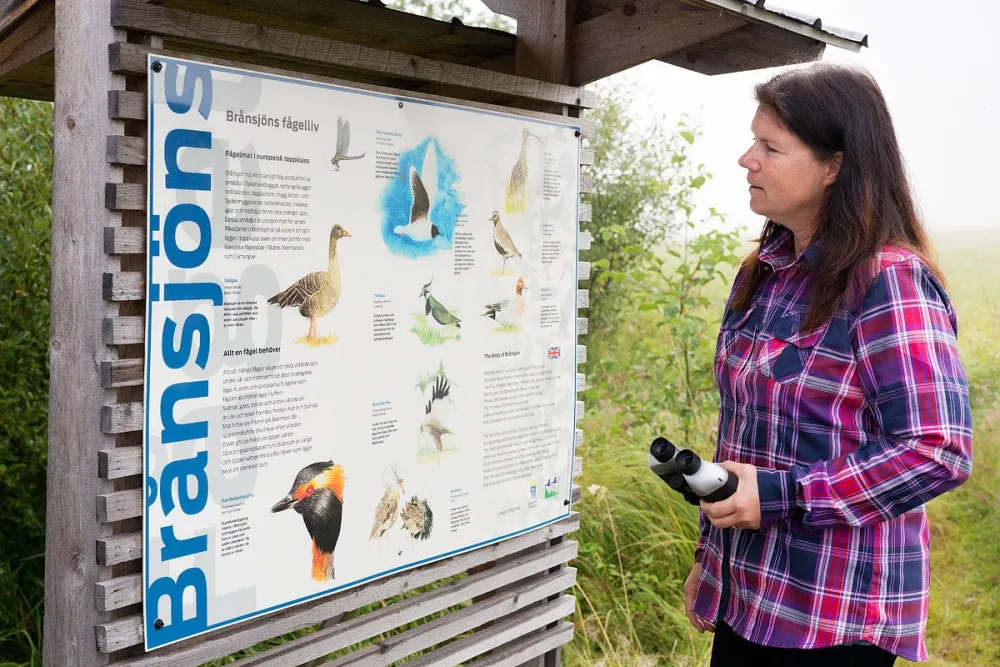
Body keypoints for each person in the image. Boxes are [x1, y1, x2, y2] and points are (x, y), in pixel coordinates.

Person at [682, 63, 974, 666]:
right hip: (749, 598)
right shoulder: (762, 274)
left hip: (835, 615)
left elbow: (937, 451)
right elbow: (742, 434)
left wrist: (786, 494)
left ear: (834, 165)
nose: (746, 159)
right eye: (751, 140)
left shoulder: (886, 281)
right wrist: (711, 563)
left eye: (770, 146)